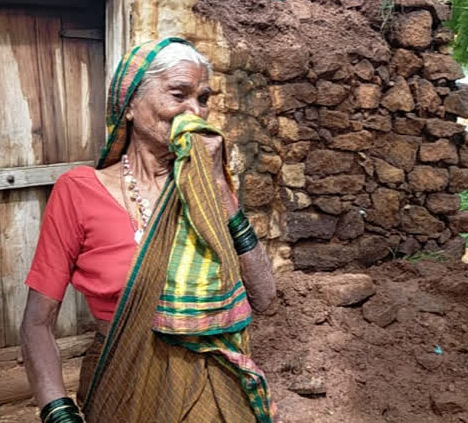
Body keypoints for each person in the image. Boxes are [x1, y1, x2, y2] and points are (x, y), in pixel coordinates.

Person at [21, 38, 279, 423]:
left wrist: (219, 188)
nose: (195, 111)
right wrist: (58, 412)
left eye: (203, 98)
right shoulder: (78, 191)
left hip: (213, 387)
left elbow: (264, 296)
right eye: (179, 94)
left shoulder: (207, 192)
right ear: (130, 106)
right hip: (122, 384)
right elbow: (37, 323)